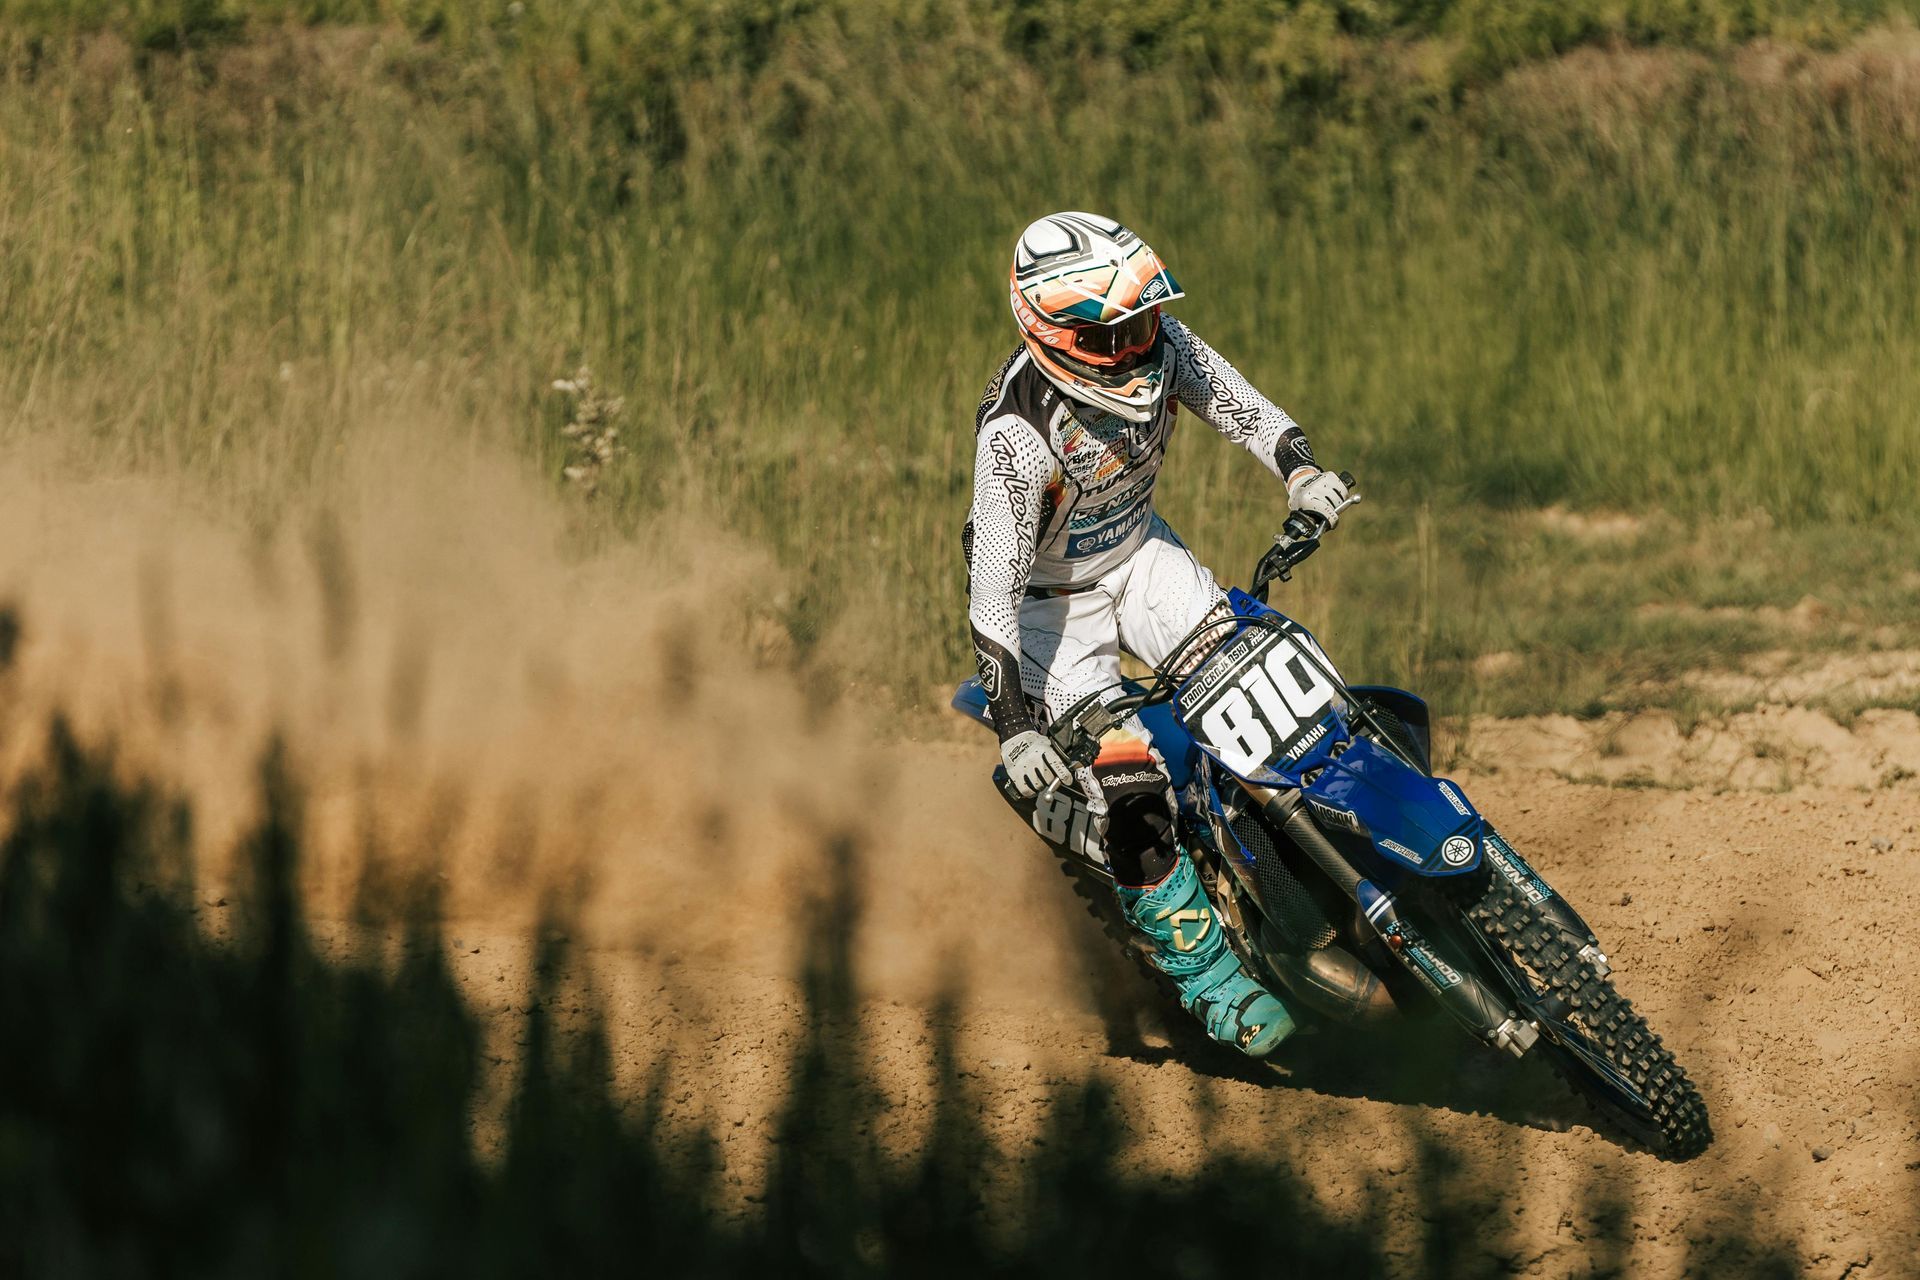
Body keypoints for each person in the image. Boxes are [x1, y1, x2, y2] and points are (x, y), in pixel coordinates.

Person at [964, 211, 1349, 1058]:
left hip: (1141, 556)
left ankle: (1311, 862)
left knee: (1265, 682)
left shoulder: (1162, 341)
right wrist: (1018, 726)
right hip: (1048, 612)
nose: (1141, 342)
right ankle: (1210, 979)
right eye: (1117, 331)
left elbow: (1240, 406)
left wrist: (1303, 469)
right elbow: (989, 603)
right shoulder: (1016, 441)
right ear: (1054, 332)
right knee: (1129, 785)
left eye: (1145, 319)